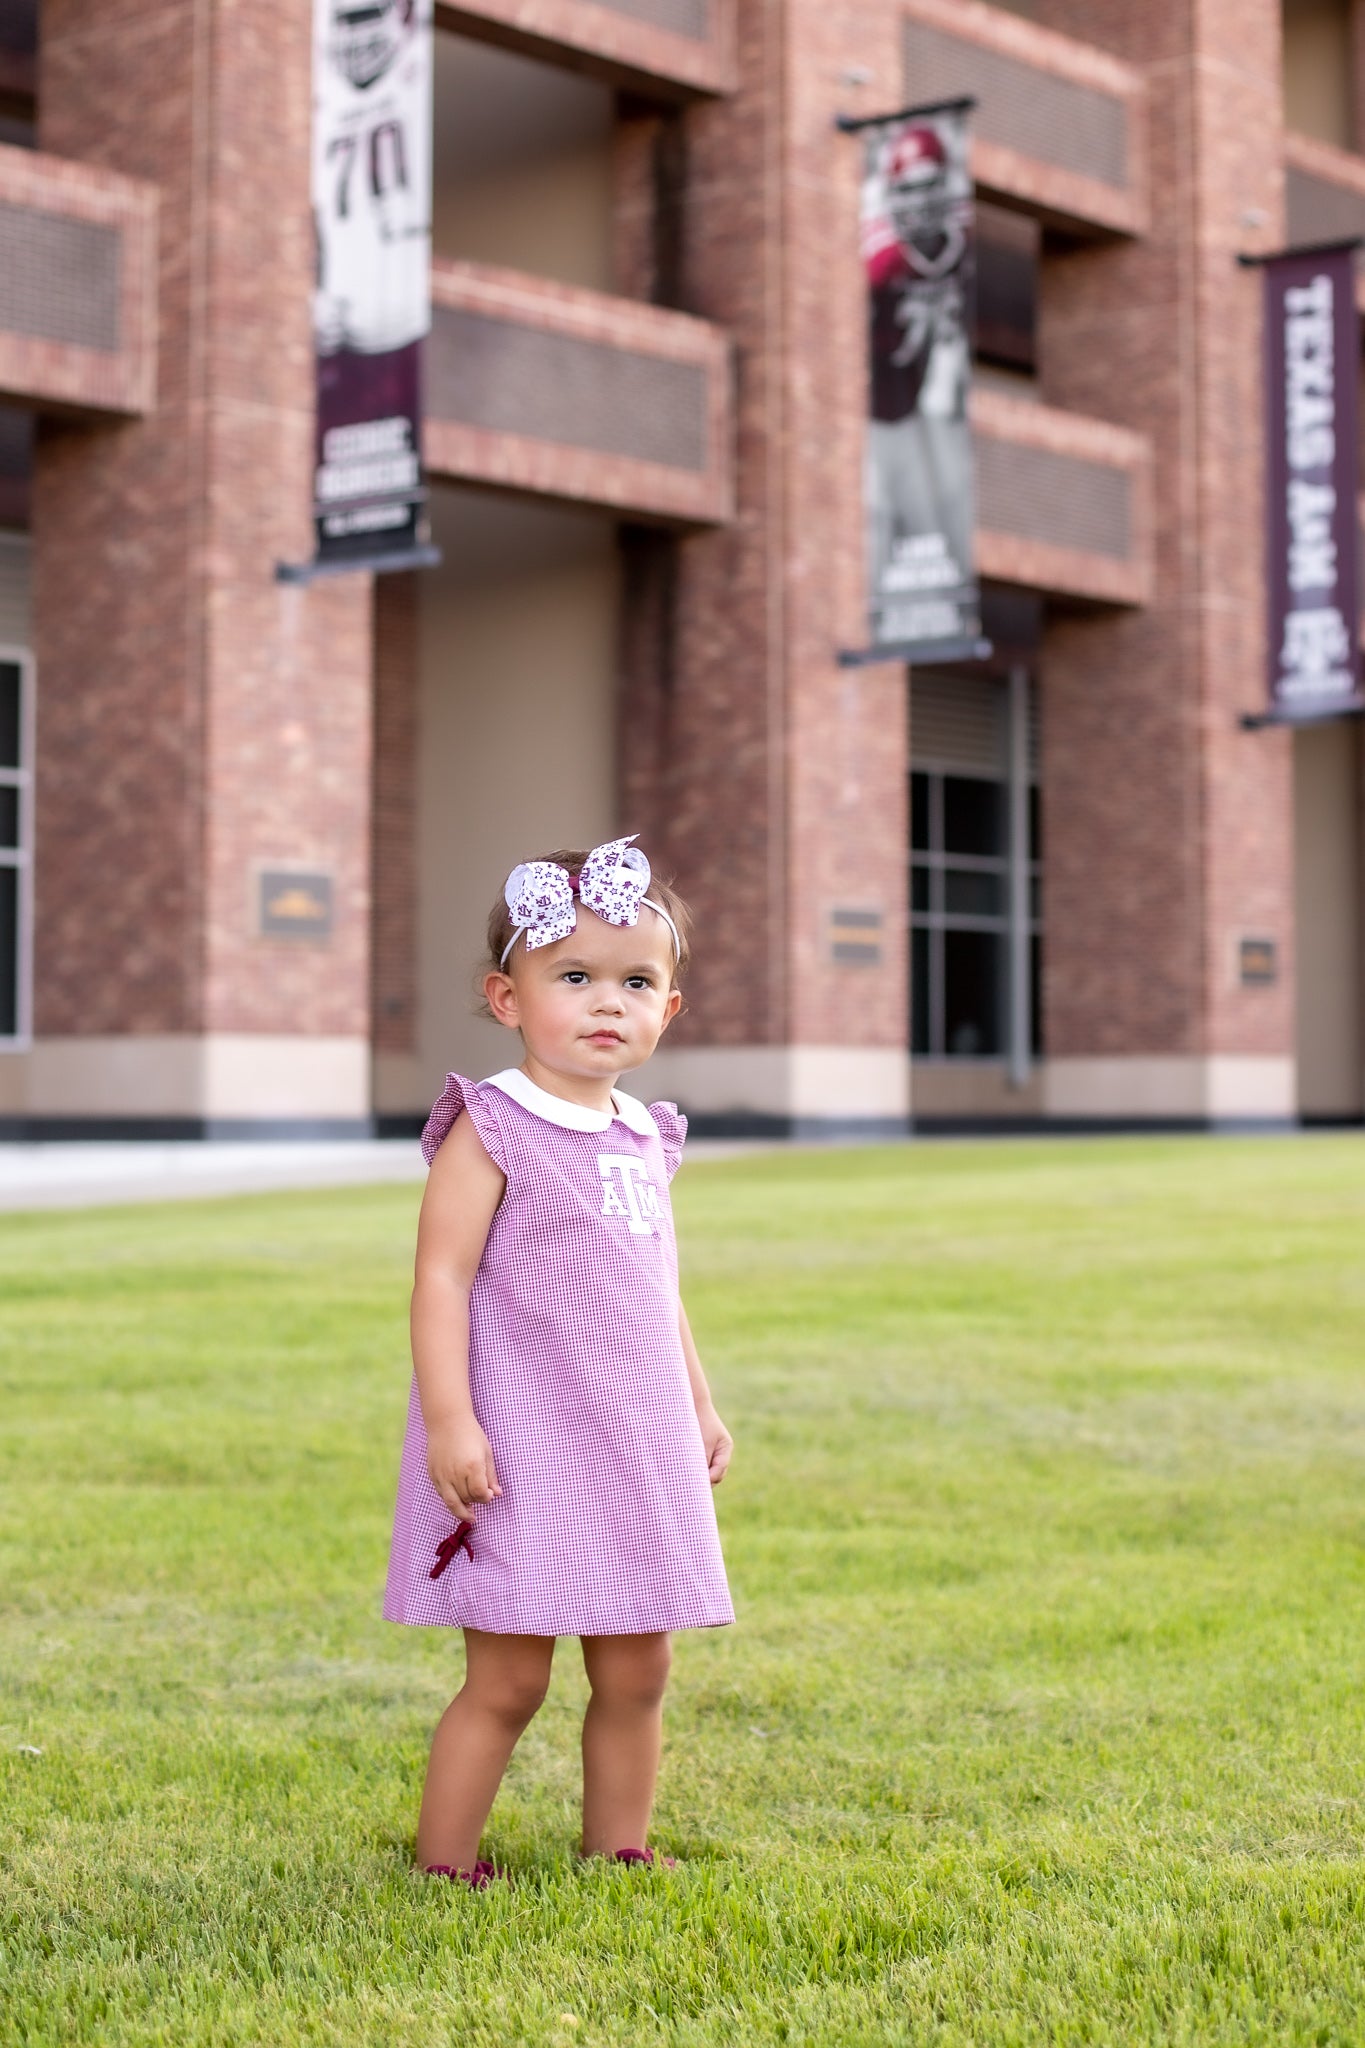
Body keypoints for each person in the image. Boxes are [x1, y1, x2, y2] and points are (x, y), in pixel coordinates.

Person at [384, 836, 735, 1886]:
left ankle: (618, 1846)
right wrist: (452, 1420)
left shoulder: (642, 1134)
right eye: (573, 976)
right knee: (509, 1676)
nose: (605, 1002)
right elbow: (440, 1279)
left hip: (637, 1438)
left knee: (640, 1663)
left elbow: (656, 1285)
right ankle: (445, 1862)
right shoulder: (491, 1126)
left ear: (667, 1010)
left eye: (635, 982)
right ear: (508, 996)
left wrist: (701, 1403)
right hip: (524, 1438)